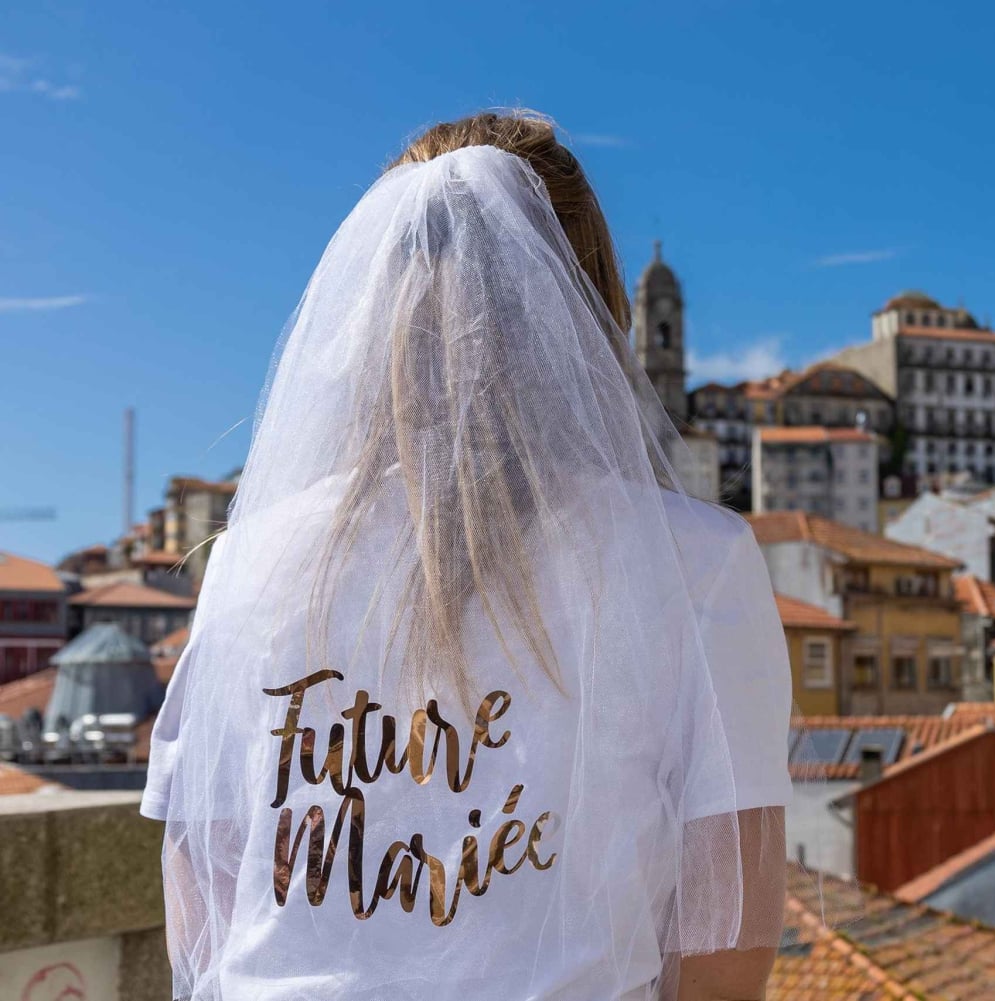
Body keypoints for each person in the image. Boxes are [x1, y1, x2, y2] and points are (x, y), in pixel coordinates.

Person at [142, 111, 792, 1001]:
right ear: (594, 302)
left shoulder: (247, 562)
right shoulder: (698, 564)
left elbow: (203, 888)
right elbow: (725, 936)